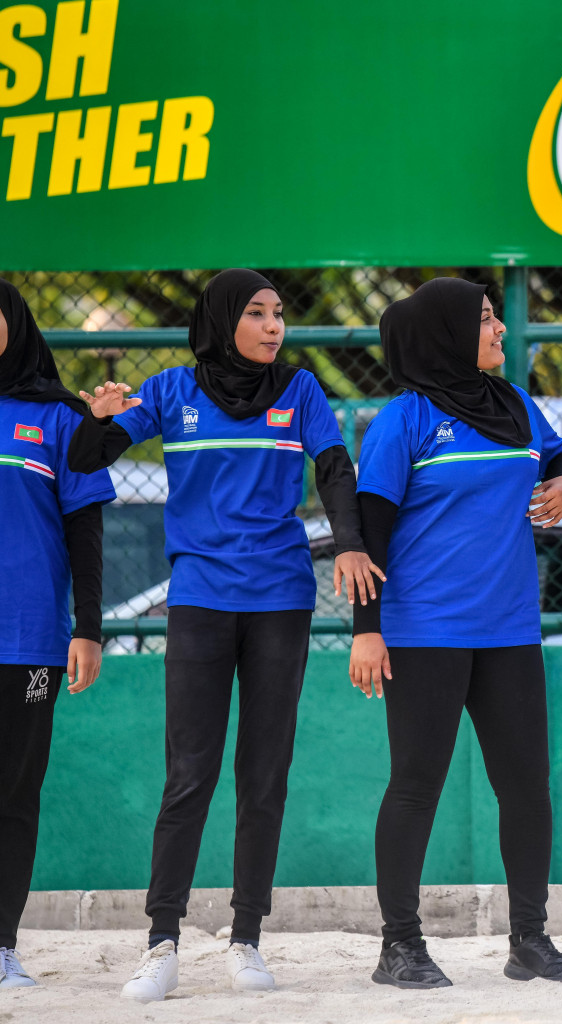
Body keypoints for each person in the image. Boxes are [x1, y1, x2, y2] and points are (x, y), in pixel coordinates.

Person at [67, 269, 380, 1001]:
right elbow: (88, 458)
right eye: (258, 314)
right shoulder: (174, 390)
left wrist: (352, 544)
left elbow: (335, 470)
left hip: (280, 601)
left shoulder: (299, 392)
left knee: (264, 776)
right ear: (221, 320)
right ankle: (162, 941)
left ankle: (246, 939)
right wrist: (99, 418)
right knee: (190, 774)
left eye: (279, 314)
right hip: (202, 599)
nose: (274, 327)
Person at [348, 277, 562, 989]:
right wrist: (368, 632)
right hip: (424, 631)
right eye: (487, 320)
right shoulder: (405, 420)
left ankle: (530, 941)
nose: (500, 331)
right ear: (449, 331)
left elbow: (559, 455)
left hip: (510, 628)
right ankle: (399, 947)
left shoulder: (512, 405)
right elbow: (370, 534)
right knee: (416, 785)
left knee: (527, 788)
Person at [0, 279, 116, 989]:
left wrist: (89, 629)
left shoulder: (60, 418)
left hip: (28, 644)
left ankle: (1, 943)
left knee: (13, 795)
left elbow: (87, 531)